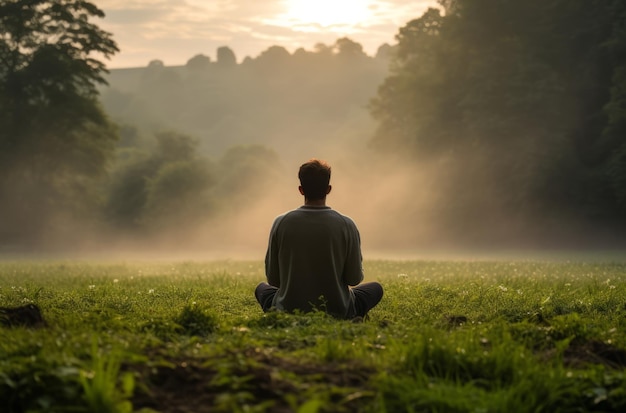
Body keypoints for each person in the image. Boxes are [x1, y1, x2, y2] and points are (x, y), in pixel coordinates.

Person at [255, 158, 383, 319]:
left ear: (301, 189)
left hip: (288, 309)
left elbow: (273, 280)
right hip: (339, 308)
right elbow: (354, 278)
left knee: (261, 288)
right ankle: (352, 316)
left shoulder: (281, 222)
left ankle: (281, 312)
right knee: (375, 288)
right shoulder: (347, 224)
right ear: (328, 189)